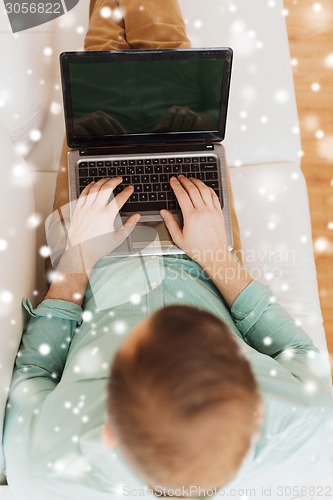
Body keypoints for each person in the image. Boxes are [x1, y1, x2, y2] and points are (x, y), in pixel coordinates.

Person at [3, 1, 333, 499]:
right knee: (169, 73)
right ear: (259, 407)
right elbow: (299, 352)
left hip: (91, 264)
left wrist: (77, 265)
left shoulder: (44, 463)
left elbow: (35, 372)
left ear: (109, 430)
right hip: (208, 257)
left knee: (100, 86)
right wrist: (215, 256)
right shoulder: (312, 429)